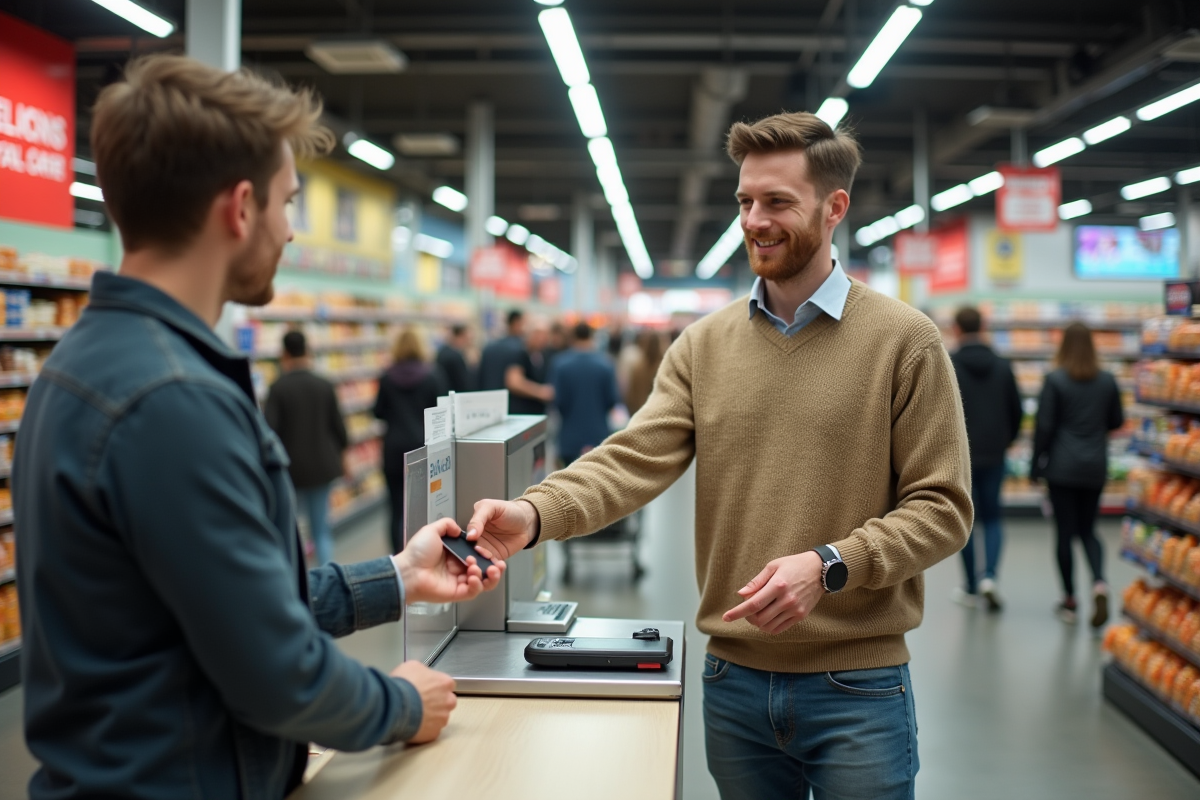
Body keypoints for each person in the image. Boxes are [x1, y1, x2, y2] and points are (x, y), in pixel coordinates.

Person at [12, 55, 504, 800]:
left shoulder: (88, 362)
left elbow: (221, 605)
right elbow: (276, 673)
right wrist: (402, 703)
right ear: (241, 208)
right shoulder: (171, 401)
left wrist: (398, 576)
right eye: (287, 202)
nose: (291, 231)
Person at [464, 111, 972, 799]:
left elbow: (943, 507)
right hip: (733, 683)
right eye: (745, 201)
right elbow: (632, 457)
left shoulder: (904, 342)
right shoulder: (704, 345)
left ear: (834, 209)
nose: (754, 221)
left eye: (778, 203)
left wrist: (830, 565)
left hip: (858, 686)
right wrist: (534, 512)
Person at [1031, 321, 1124, 628]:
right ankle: (1099, 583)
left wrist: (1036, 465)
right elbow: (1116, 420)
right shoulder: (1107, 381)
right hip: (1095, 466)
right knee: (1089, 530)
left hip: (1061, 467)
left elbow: (1044, 426)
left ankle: (1069, 601)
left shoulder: (1055, 380)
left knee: (1064, 533)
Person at [948, 306, 1023, 612]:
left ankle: (970, 586)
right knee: (993, 517)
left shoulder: (949, 363)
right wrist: (1007, 441)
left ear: (956, 329)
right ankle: (989, 577)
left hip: (960, 454)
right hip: (995, 452)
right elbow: (1016, 410)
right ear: (984, 326)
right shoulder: (1002, 365)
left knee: (965, 519)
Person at [265, 329, 348, 565]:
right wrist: (343, 454)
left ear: (285, 354)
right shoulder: (323, 384)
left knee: (294, 531)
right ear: (307, 351)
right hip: (323, 467)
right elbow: (339, 428)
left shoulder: (278, 387)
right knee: (321, 529)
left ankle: (300, 585)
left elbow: (270, 431)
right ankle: (327, 579)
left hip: (292, 471)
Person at [375, 326, 448, 553]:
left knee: (396, 509)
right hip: (422, 449)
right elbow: (441, 410)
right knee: (422, 506)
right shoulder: (432, 376)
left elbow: (377, 412)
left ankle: (397, 558)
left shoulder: (387, 377)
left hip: (393, 450)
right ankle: (420, 553)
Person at [551, 321, 619, 465]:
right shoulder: (606, 364)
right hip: (598, 434)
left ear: (573, 338)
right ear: (592, 337)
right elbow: (612, 400)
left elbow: (558, 401)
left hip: (569, 437)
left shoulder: (560, 364)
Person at [477, 309, 553, 413]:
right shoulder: (518, 349)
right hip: (515, 410)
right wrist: (542, 392)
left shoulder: (489, 347)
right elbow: (514, 382)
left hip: (489, 407)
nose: (543, 339)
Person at [624, 329, 665, 417]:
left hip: (640, 415)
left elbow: (630, 396)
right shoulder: (665, 369)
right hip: (659, 418)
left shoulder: (637, 368)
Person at [436, 322, 474, 394]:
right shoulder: (455, 356)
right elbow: (464, 384)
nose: (469, 341)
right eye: (468, 338)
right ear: (461, 336)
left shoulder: (443, 351)